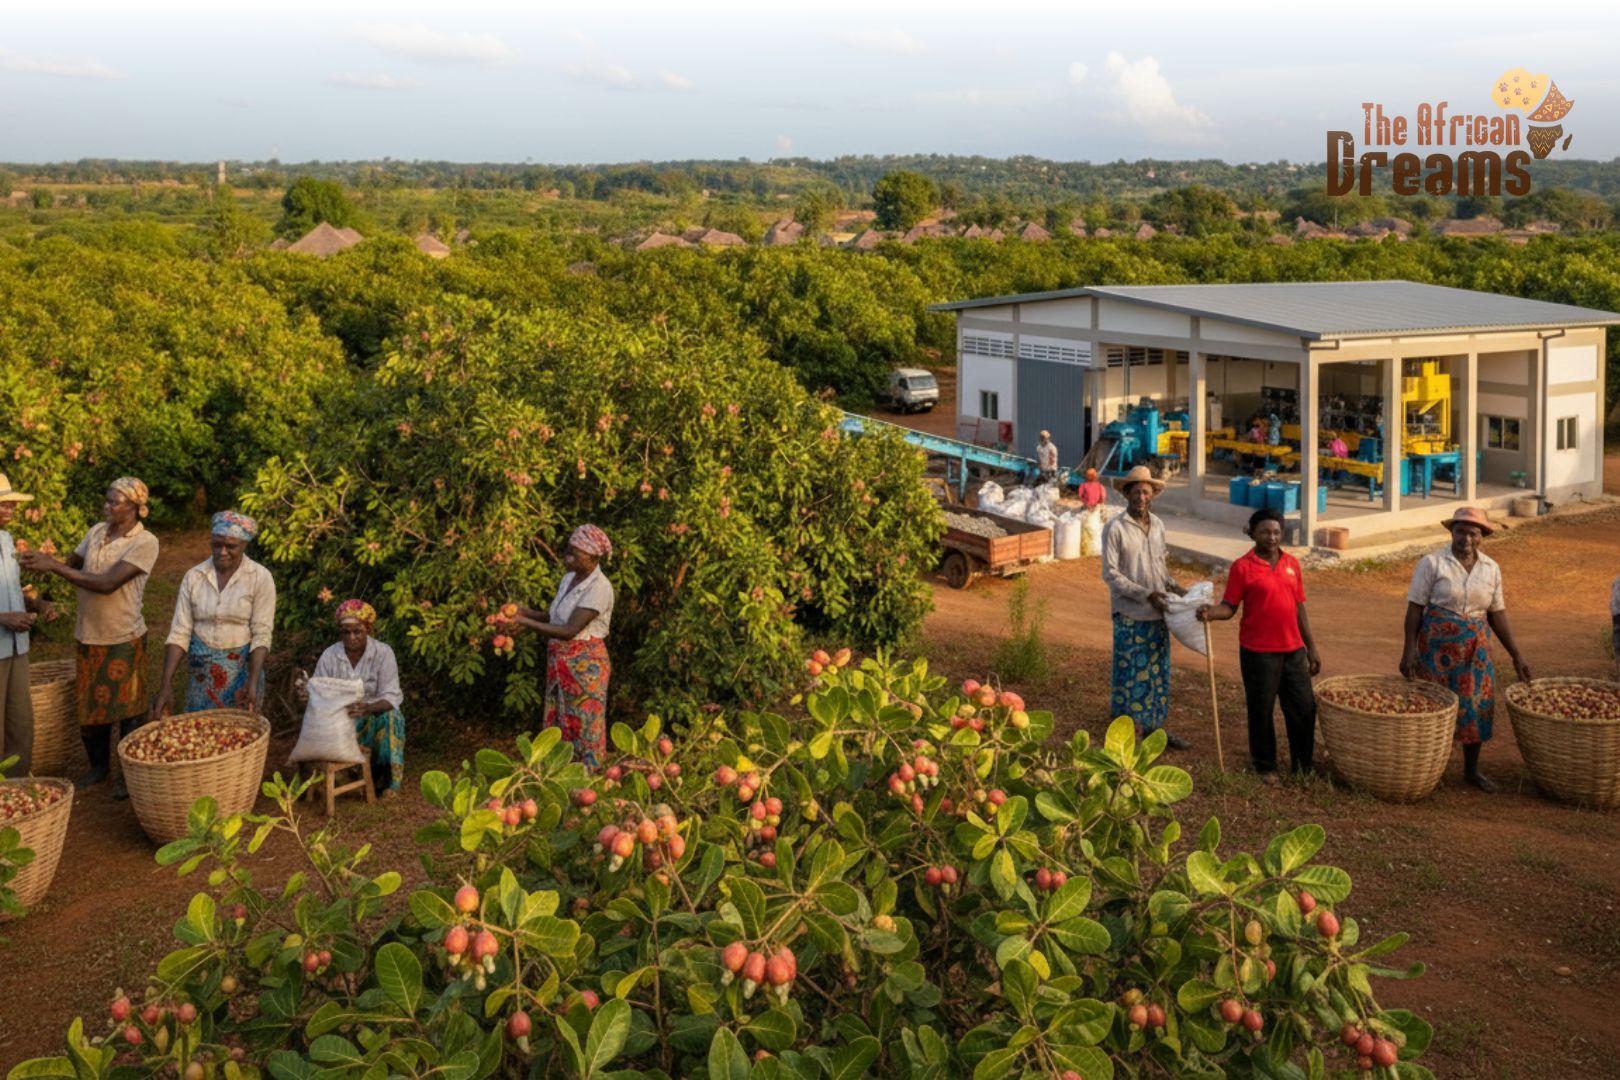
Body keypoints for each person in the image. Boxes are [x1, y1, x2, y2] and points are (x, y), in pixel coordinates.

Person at [18, 478, 159, 790]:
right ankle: (99, 767)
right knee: (91, 712)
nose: (107, 506)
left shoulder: (144, 542)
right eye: (106, 500)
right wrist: (44, 566)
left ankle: (127, 774)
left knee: (129, 711)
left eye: (116, 502)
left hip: (124, 635)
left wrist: (53, 566)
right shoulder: (96, 531)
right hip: (89, 634)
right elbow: (74, 565)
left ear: (136, 507)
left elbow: (107, 583)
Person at [1400, 507, 1532, 793]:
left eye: (1473, 533)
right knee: (1433, 708)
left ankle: (1471, 772)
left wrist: (1516, 654)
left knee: (1477, 707)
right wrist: (1408, 650)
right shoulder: (1432, 563)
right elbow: (1414, 610)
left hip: (1476, 650)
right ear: (1452, 533)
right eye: (1461, 532)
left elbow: (1497, 613)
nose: (1466, 539)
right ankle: (1426, 769)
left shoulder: (1491, 568)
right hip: (1435, 648)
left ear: (1482, 536)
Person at [1197, 507, 1321, 784]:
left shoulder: (1292, 564)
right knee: (1261, 709)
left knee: (1303, 708)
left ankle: (1303, 766)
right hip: (1258, 652)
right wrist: (1211, 612)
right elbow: (1229, 607)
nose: (1272, 537)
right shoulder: (1242, 567)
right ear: (1252, 533)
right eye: (1265, 532)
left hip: (1293, 650)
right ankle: (1265, 766)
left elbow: (1300, 608)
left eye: (1277, 532)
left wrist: (1311, 647)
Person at [510, 525, 615, 772]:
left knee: (584, 725)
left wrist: (524, 623)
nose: (567, 558)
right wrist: (527, 613)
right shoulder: (568, 579)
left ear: (593, 557)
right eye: (567, 551)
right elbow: (555, 617)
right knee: (561, 720)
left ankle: (589, 781)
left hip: (585, 664)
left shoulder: (600, 588)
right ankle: (561, 777)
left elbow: (569, 631)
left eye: (574, 554)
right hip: (560, 663)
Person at [152, 512, 276, 720]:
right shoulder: (195, 577)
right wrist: (166, 685)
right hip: (202, 677)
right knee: (200, 735)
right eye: (216, 545)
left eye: (231, 546)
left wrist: (252, 683)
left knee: (237, 736)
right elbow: (179, 632)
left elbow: (261, 633)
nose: (222, 552)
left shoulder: (260, 578)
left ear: (244, 545)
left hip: (242, 676)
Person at [1101, 465, 1189, 749]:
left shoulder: (1159, 525)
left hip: (1158, 613)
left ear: (1153, 495)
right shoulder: (1115, 528)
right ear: (1126, 493)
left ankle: (1155, 730)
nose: (1141, 496)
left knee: (1157, 672)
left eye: (1146, 492)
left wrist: (1175, 587)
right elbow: (1111, 574)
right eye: (1136, 491)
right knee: (1130, 673)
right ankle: (1125, 731)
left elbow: (1160, 567)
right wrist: (1145, 593)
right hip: (1130, 614)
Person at [301, 600, 405, 799]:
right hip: (341, 723)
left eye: (357, 632)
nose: (352, 637)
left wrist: (367, 708)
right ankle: (351, 777)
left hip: (374, 721)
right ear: (340, 632)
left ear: (368, 629)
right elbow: (319, 690)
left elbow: (391, 697)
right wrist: (308, 692)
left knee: (393, 717)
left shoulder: (383, 653)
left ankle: (392, 784)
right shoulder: (330, 655)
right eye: (346, 632)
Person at [1, 475, 52, 777]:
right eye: (4, 503)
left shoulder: (6, 540)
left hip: (17, 648)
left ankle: (16, 789)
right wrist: (4, 618)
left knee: (19, 722)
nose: (10, 508)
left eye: (12, 503)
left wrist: (36, 604)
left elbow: (10, 590)